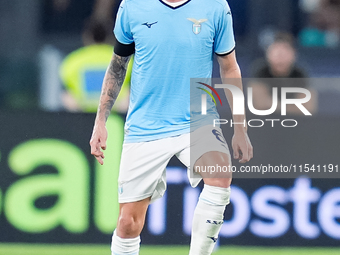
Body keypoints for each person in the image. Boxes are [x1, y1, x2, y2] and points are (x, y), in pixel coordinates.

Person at [90, 0, 253, 254]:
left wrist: (240, 127)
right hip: (146, 124)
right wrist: (100, 121)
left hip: (198, 118)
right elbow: (117, 66)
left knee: (220, 175)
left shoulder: (215, 7)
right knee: (128, 223)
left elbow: (229, 67)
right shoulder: (132, 6)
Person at [60, 19, 132, 113]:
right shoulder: (124, 59)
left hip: (82, 119)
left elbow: (68, 97)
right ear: (112, 36)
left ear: (86, 36)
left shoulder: (72, 61)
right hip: (115, 118)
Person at [250, 32, 317, 114]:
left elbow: (308, 108)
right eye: (276, 50)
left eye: (285, 50)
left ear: (294, 54)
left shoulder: (301, 73)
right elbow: (260, 105)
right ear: (268, 54)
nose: (280, 55)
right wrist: (293, 106)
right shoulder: (260, 71)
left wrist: (274, 105)